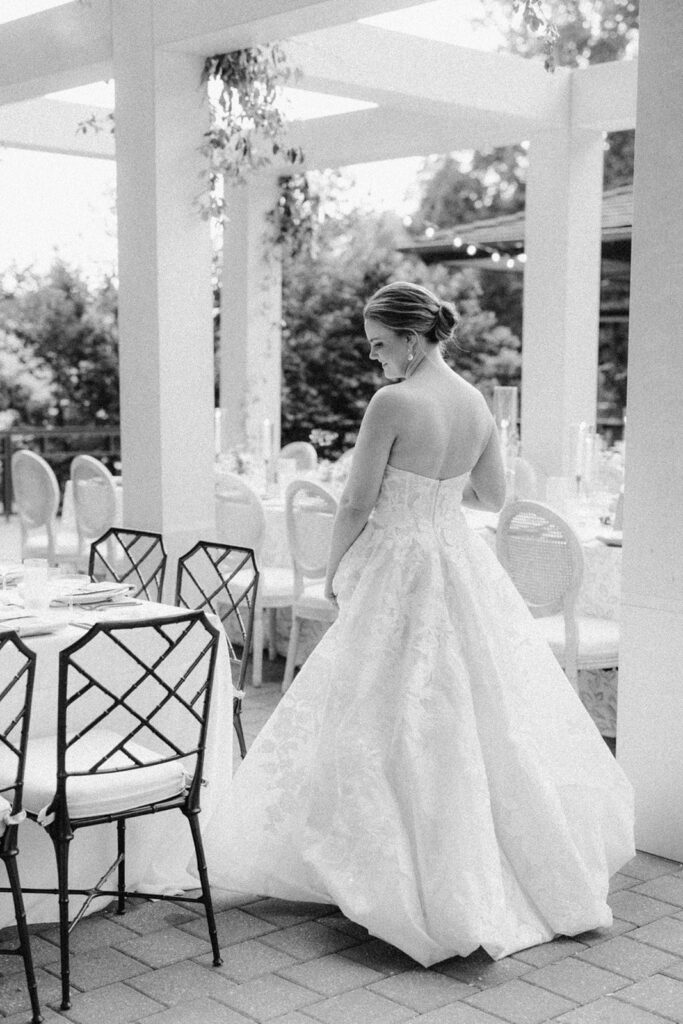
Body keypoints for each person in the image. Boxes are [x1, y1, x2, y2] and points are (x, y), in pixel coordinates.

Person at [207, 281, 635, 967]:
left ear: (412, 338)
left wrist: (334, 572)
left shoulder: (394, 402)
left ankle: (395, 866)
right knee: (469, 711)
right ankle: (489, 864)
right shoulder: (474, 402)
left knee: (383, 708)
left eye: (379, 344)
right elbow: (493, 496)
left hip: (398, 566)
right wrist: (436, 492)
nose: (374, 358)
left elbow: (354, 503)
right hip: (456, 560)